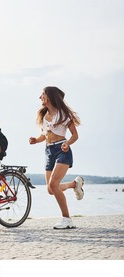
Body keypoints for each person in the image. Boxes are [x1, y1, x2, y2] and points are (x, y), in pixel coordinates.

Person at [29, 86, 84, 230]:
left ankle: (67, 219)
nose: (40, 97)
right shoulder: (44, 116)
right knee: (50, 189)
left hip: (62, 150)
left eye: (42, 94)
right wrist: (36, 139)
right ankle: (74, 184)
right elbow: (44, 135)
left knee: (53, 184)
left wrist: (67, 143)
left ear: (50, 97)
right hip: (48, 151)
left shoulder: (63, 115)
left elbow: (75, 135)